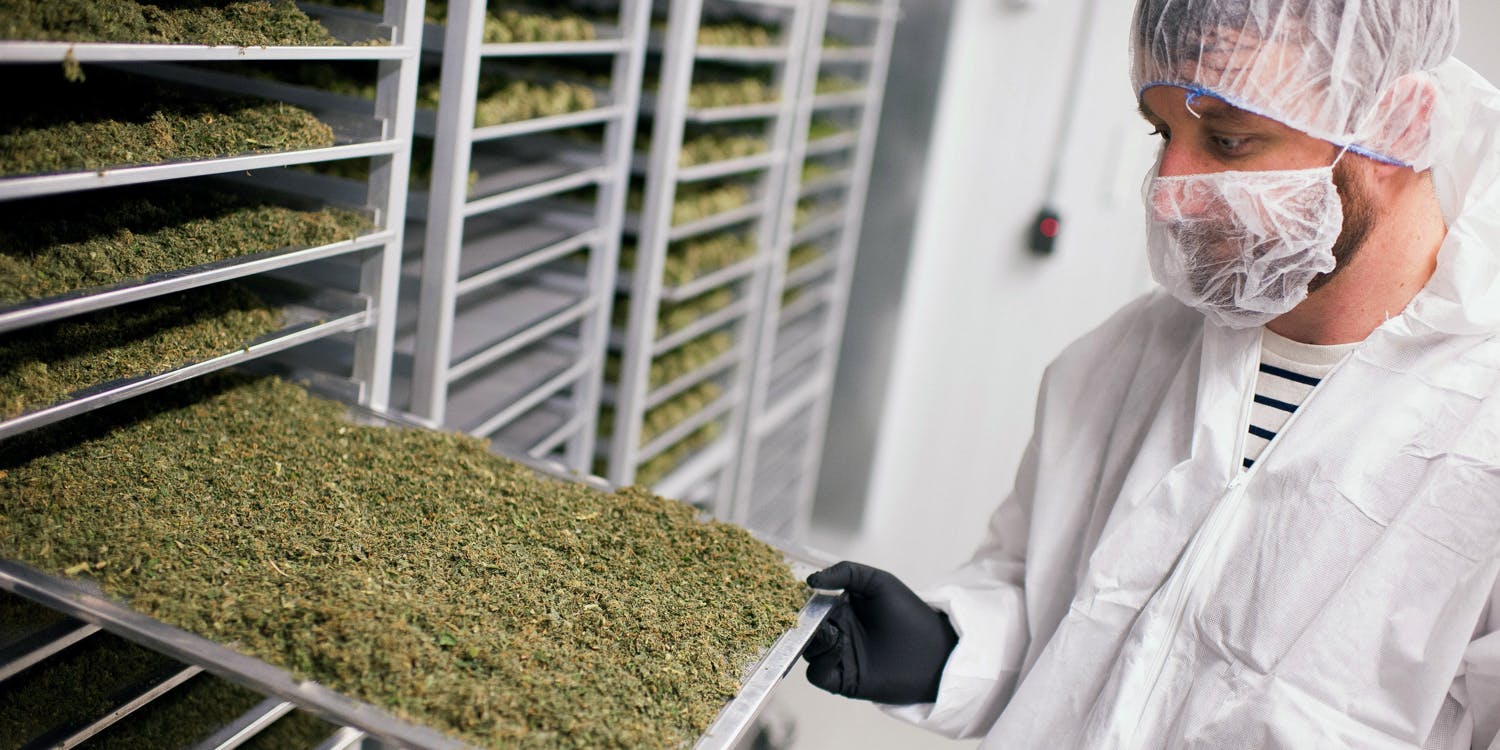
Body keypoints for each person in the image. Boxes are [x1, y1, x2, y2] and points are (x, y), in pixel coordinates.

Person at [801, 0, 1500, 746]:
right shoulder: (1124, 360)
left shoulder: (1479, 429)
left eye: (1229, 139)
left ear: (1399, 123)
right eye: (1163, 132)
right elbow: (1060, 615)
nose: (1172, 188)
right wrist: (944, 653)